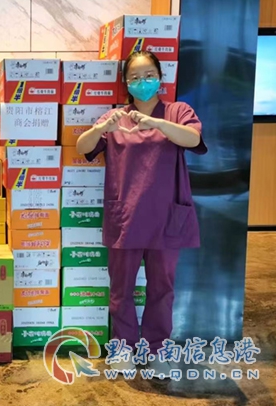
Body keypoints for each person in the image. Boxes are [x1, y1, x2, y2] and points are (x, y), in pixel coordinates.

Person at [76, 50, 207, 378]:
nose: (142, 82)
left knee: (162, 287)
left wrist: (157, 123)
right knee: (121, 287)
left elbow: (192, 138)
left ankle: (157, 349)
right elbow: (83, 147)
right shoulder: (116, 117)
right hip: (127, 216)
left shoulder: (177, 111)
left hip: (166, 217)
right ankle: (123, 348)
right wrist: (101, 127)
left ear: (160, 78)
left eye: (149, 75)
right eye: (134, 77)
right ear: (125, 83)